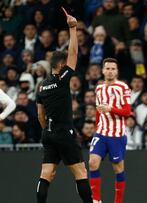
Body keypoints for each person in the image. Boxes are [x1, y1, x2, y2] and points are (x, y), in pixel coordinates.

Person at [35, 8, 92, 203]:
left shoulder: (41, 86)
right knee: (80, 172)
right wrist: (73, 29)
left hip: (48, 134)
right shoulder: (61, 79)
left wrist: (47, 131)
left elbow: (40, 115)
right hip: (64, 132)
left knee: (47, 174)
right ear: (60, 66)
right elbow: (74, 54)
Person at [89, 57, 132, 203]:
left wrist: (111, 109)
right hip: (101, 132)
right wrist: (97, 127)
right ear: (103, 70)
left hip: (117, 134)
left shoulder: (123, 88)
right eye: (107, 68)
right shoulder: (99, 88)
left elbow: (127, 112)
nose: (110, 71)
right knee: (92, 162)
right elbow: (97, 110)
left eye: (113, 69)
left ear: (117, 71)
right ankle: (96, 200)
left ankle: (118, 201)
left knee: (118, 169)